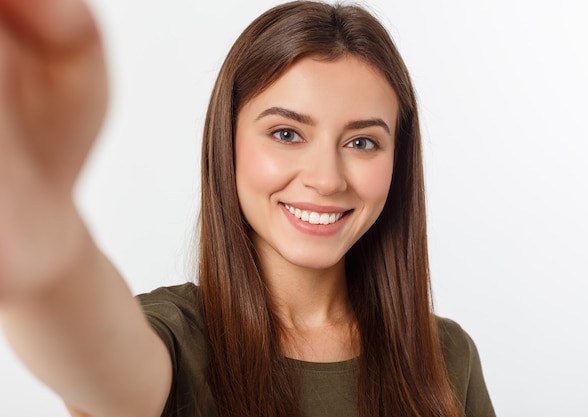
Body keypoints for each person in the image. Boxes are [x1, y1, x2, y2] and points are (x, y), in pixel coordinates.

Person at [0, 0, 495, 416]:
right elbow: (104, 365)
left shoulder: (446, 358)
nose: (326, 178)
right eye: (286, 134)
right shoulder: (178, 340)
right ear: (228, 141)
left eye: (363, 142)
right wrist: (48, 252)